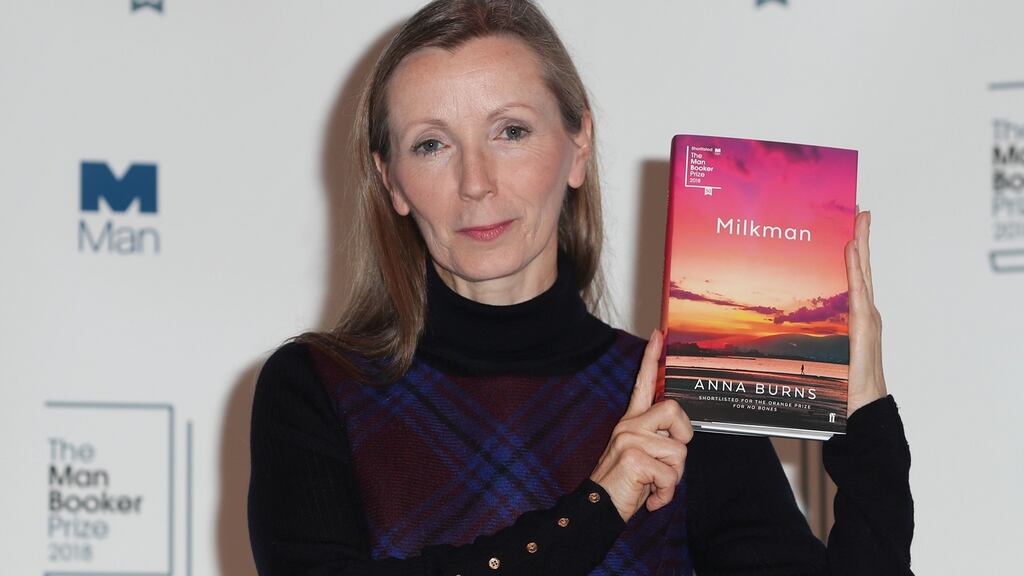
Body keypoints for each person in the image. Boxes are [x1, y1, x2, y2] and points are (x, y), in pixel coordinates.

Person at [247, 1, 914, 575]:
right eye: (431, 145)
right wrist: (601, 504)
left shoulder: (682, 394)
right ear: (389, 179)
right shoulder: (316, 388)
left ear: (578, 146)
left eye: (510, 132)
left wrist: (866, 425)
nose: (476, 182)